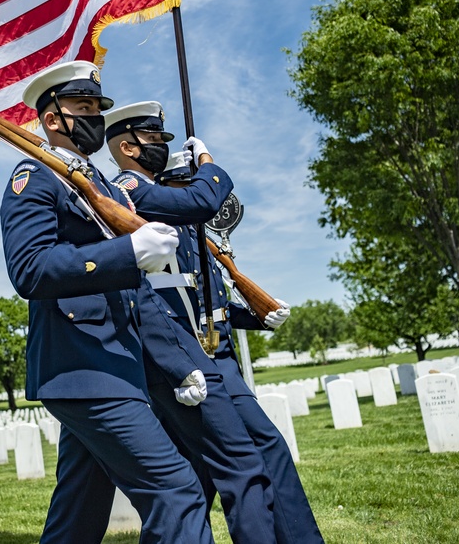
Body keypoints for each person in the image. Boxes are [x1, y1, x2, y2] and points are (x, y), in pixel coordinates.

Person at [0, 60, 214, 544]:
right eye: (83, 107)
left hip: (118, 364)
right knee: (177, 491)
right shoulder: (35, 176)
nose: (95, 116)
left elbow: (136, 296)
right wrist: (127, 251)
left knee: (79, 511)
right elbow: (29, 269)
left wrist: (178, 363)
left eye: (99, 107)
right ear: (53, 118)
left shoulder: (107, 187)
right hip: (81, 365)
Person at [109, 103, 325, 544]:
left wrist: (258, 316)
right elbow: (204, 200)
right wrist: (209, 164)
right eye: (154, 141)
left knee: (224, 466)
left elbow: (203, 295)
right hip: (182, 357)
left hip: (210, 353)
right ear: (127, 147)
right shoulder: (128, 190)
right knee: (243, 461)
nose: (162, 149)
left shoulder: (177, 216)